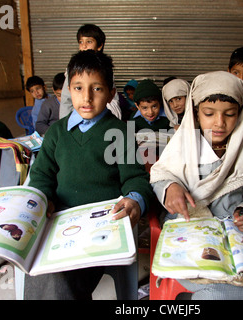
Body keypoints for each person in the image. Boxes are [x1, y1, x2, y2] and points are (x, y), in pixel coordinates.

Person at [24, 50, 153, 300]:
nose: (86, 97)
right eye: (78, 88)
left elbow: (135, 177)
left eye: (96, 89)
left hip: (101, 226)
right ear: (67, 91)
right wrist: (43, 199)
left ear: (111, 93)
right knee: (38, 269)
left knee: (62, 277)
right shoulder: (57, 133)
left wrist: (136, 199)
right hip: (60, 223)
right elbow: (41, 177)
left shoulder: (119, 133)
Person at [150, 71, 243, 299]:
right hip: (191, 228)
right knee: (220, 291)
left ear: (241, 113)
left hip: (238, 233)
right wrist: (171, 187)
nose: (219, 123)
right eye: (209, 114)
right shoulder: (183, 142)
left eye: (230, 114)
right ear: (196, 114)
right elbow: (161, 175)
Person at [59, 24, 122, 120]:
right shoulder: (74, 70)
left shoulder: (104, 68)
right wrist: (66, 125)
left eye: (89, 41)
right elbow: (66, 101)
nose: (84, 46)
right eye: (81, 42)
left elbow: (113, 103)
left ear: (99, 46)